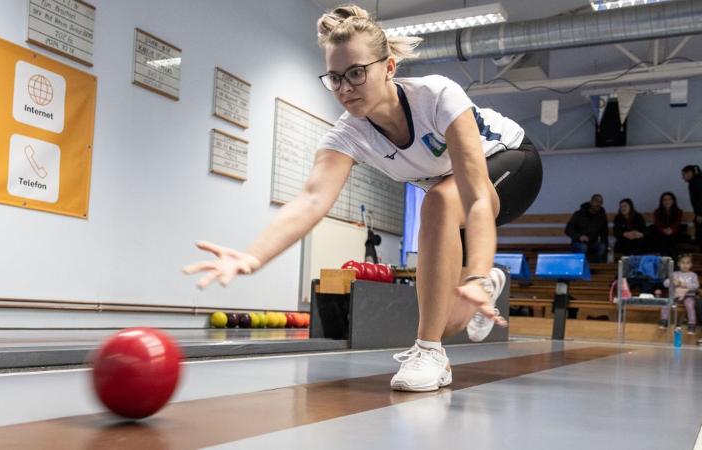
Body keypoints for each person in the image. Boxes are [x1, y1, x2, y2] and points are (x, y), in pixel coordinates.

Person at [182, 5, 543, 392]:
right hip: (454, 201)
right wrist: (254, 255)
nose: (345, 88)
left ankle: (429, 351)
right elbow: (311, 200)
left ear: (388, 67)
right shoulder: (348, 134)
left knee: (436, 202)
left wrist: (474, 267)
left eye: (356, 73)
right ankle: (487, 285)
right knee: (452, 319)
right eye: (335, 78)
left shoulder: (436, 97)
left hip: (512, 166)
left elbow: (474, 197)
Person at [564, 194, 608, 263]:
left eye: (600, 202)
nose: (598, 204)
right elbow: (568, 230)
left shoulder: (601, 216)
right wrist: (579, 237)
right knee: (583, 247)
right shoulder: (579, 214)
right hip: (578, 242)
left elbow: (604, 233)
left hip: (592, 243)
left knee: (602, 247)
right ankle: (581, 267)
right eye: (596, 201)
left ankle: (595, 267)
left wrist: (607, 248)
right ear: (591, 201)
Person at [661, 254, 699, 333]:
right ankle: (664, 321)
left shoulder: (693, 275)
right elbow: (665, 283)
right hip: (675, 295)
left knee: (690, 305)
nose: (685, 265)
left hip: (689, 296)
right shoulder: (674, 274)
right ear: (678, 264)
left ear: (691, 265)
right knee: (666, 304)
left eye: (688, 263)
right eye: (683, 263)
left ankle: (692, 324)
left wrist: (683, 284)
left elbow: (696, 286)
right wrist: (672, 282)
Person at [650, 192, 685, 258]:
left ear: (673, 201)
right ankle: (665, 261)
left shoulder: (678, 212)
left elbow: (677, 223)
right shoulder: (657, 212)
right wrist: (664, 230)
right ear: (662, 202)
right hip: (661, 233)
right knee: (664, 240)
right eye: (664, 200)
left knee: (671, 240)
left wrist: (671, 230)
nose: (667, 201)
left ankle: (673, 262)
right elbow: (658, 224)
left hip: (674, 233)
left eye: (669, 199)